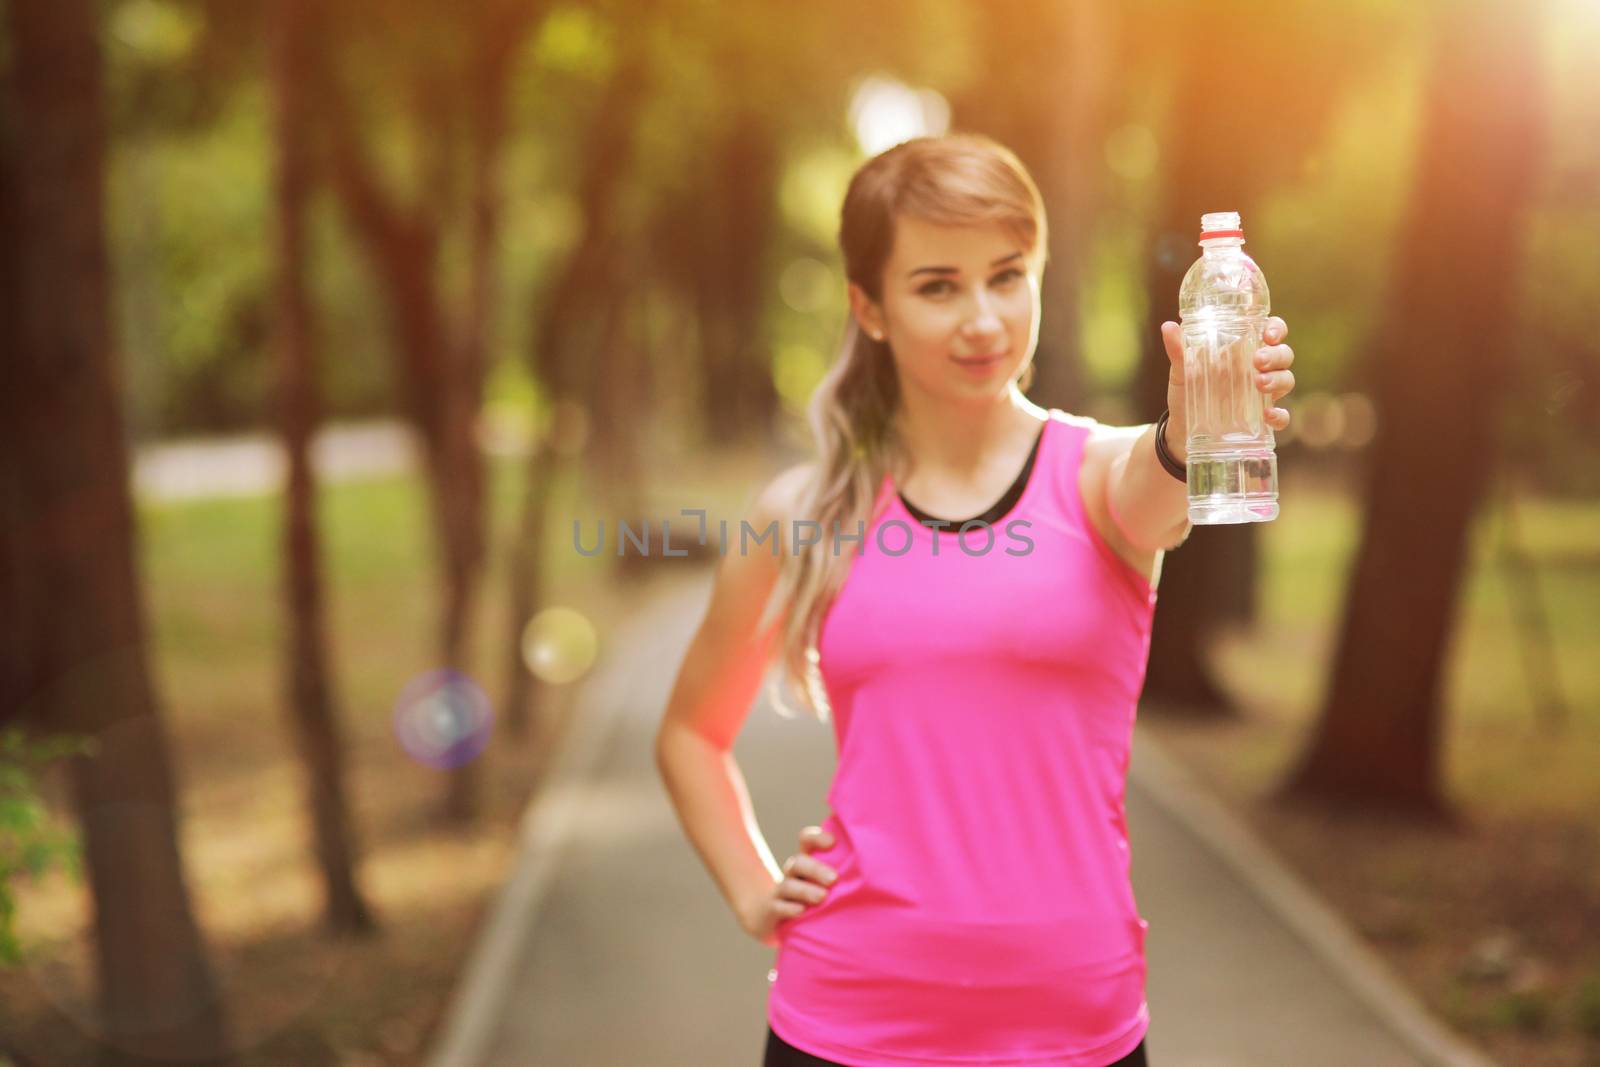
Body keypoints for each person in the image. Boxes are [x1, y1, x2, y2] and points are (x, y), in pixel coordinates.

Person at [654, 132, 1296, 1067]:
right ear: (867, 307)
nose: (984, 320)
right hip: (844, 1020)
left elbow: (1159, 492)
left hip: (1074, 1025)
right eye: (937, 285)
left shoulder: (1097, 474)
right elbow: (689, 734)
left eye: (1007, 275)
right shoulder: (801, 514)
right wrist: (754, 890)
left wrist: (1186, 435)